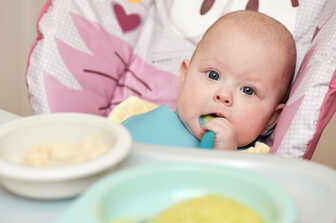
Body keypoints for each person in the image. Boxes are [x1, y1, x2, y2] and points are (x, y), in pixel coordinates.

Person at [108, 10, 296, 153]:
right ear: (184, 76)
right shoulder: (136, 113)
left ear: (270, 120)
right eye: (213, 75)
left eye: (248, 90)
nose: (223, 95)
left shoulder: (254, 161)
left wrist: (225, 157)